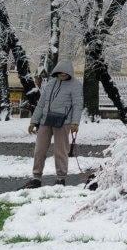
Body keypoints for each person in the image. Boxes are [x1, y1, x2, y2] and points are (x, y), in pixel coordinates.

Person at [23, 59, 83, 188]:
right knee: (39, 149)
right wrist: (34, 121)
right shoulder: (50, 83)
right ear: (57, 71)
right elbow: (41, 103)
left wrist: (75, 123)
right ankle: (36, 178)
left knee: (60, 151)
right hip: (45, 120)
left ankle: (61, 178)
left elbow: (78, 105)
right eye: (60, 72)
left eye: (65, 73)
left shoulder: (76, 85)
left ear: (69, 73)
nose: (63, 74)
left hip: (64, 122)